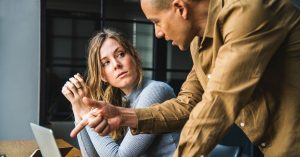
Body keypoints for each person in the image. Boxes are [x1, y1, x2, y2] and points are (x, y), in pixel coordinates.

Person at [71, 0, 300, 156]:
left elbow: (217, 104)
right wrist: (122, 115)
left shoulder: (248, 13)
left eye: (156, 22)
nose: (158, 33)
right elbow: (186, 105)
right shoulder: (198, 44)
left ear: (180, 7)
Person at [62, 29, 180, 157]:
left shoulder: (156, 91)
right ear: (103, 76)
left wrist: (86, 112)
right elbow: (91, 155)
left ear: (134, 57)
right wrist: (77, 106)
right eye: (106, 62)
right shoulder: (120, 102)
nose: (116, 65)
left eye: (120, 54)